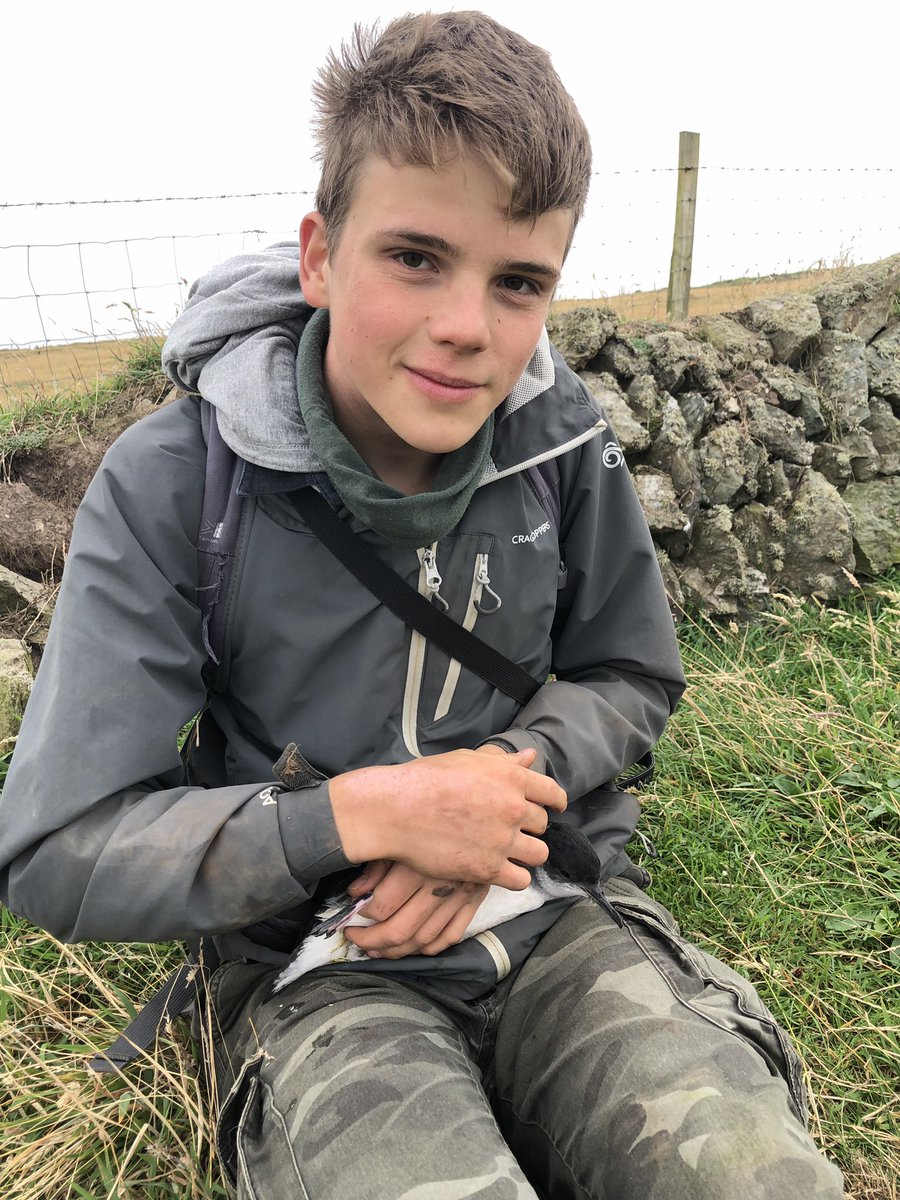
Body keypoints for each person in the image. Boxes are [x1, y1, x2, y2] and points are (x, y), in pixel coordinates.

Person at [0, 11, 843, 1199]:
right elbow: (57, 846)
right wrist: (368, 815)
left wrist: (497, 796)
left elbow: (630, 674)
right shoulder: (179, 481)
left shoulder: (566, 447)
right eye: (414, 257)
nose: (466, 326)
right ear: (317, 254)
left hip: (555, 917)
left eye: (519, 282)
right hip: (317, 975)